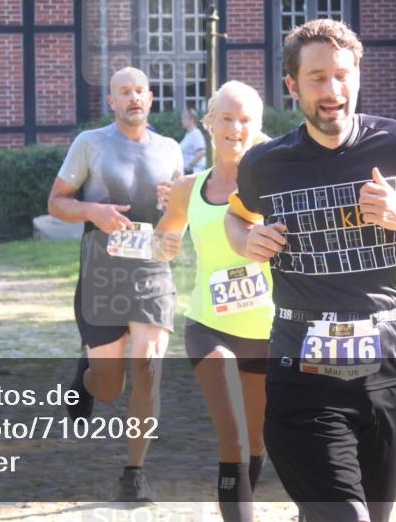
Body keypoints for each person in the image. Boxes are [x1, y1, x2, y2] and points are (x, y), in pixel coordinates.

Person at [224, 19, 396, 522]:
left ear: (358, 74)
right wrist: (247, 240)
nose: (333, 90)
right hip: (302, 370)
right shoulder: (264, 164)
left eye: (342, 75)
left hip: (386, 370)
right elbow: (235, 217)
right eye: (317, 78)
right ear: (292, 85)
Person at [47, 66, 183, 502]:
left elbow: (176, 218)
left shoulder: (171, 149)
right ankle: (86, 377)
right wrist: (92, 212)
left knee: (147, 369)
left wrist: (173, 219)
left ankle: (134, 471)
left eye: (140, 90)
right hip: (102, 274)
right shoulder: (90, 144)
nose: (134, 98)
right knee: (109, 388)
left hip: (151, 273)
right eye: (124, 92)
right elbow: (56, 203)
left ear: (150, 97)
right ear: (112, 101)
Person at [155, 81, 274, 522]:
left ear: (258, 127)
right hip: (210, 327)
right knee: (235, 440)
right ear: (209, 123)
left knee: (258, 442)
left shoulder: (276, 183)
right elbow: (163, 241)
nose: (235, 128)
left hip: (267, 331)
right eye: (226, 118)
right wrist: (163, 240)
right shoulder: (190, 188)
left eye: (245, 120)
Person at [180, 108, 207, 174]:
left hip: (195, 172)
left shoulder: (196, 134)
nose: (182, 121)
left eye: (183, 119)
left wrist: (190, 165)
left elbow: (202, 151)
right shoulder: (188, 134)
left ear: (191, 120)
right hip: (189, 172)